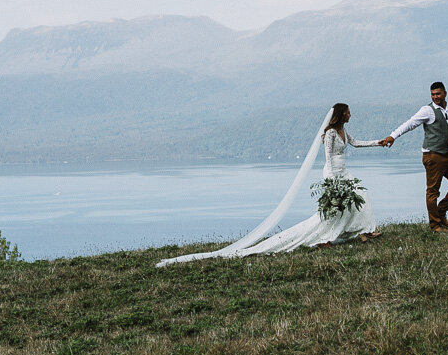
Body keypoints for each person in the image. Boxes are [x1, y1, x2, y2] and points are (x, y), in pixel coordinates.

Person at [156, 103, 382, 265]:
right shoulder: (331, 133)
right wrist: (333, 180)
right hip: (333, 173)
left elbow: (355, 143)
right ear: (341, 114)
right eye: (349, 112)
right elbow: (327, 156)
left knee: (359, 198)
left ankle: (363, 231)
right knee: (337, 207)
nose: (351, 115)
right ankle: (327, 238)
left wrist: (378, 143)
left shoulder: (344, 131)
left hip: (344, 170)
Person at [380, 81, 448, 232]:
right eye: (432, 94)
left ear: (445, 93)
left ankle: (440, 211)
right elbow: (410, 123)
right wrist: (392, 136)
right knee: (433, 191)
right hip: (432, 155)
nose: (435, 97)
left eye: (438, 94)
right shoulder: (427, 110)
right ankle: (435, 225)